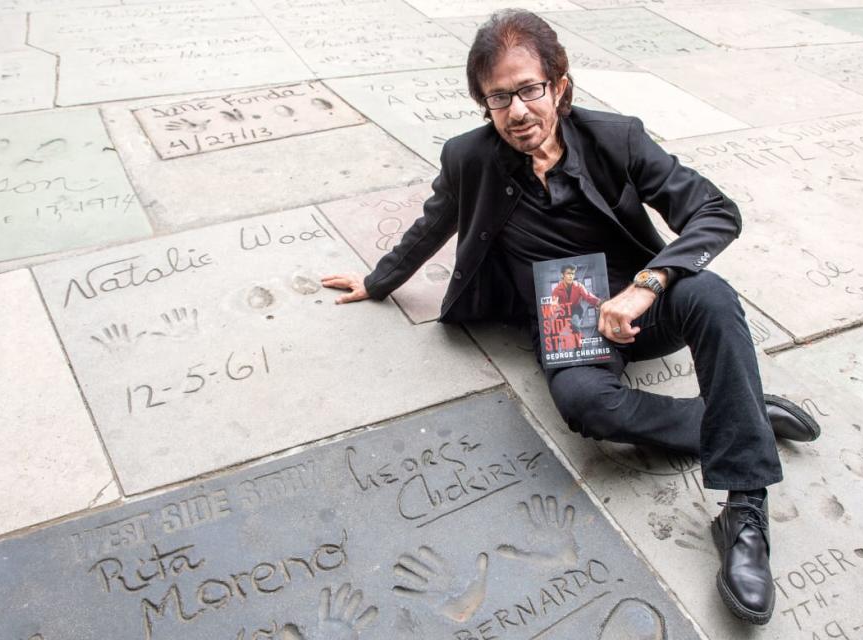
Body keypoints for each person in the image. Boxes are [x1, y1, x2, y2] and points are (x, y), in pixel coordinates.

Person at [322, 9, 820, 625]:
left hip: (643, 297)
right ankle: (745, 418)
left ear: (558, 84)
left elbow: (716, 211)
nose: (518, 112)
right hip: (563, 310)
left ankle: (744, 511)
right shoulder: (469, 159)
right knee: (588, 407)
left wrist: (646, 285)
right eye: (497, 98)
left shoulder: (618, 138)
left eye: (529, 89)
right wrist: (377, 281)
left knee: (713, 295)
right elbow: (434, 223)